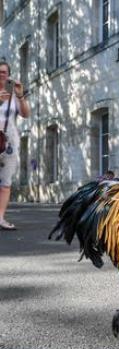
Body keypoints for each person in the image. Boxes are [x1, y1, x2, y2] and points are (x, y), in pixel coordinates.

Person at [0, 60, 30, 230]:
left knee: (5, 182)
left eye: (4, 72)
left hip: (9, 140)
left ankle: (0, 218)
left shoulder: (13, 94)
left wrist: (20, 95)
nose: (2, 75)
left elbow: (25, 114)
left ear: (9, 74)